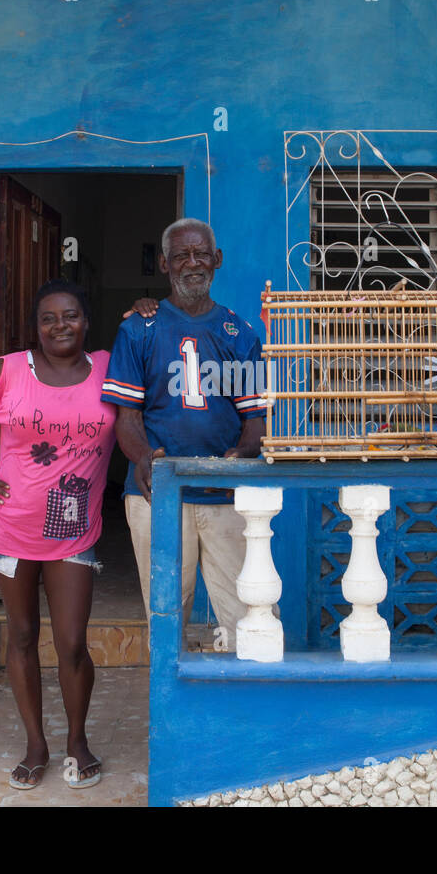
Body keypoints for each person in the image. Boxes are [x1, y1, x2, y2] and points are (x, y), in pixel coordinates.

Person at [0, 280, 115, 790]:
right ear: (36, 327)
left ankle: (77, 741)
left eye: (70, 315)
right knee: (20, 636)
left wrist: (143, 309)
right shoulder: (10, 369)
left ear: (86, 320)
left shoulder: (109, 365)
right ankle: (35, 744)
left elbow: (147, 348)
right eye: (48, 318)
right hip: (8, 529)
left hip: (73, 532)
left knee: (72, 642)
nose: (60, 325)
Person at [102, 218, 266, 648]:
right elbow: (127, 416)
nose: (192, 263)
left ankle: (237, 713)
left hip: (223, 494)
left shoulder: (239, 332)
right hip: (158, 495)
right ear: (163, 264)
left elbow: (253, 420)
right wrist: (141, 456)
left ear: (217, 260)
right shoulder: (138, 329)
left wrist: (243, 453)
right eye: (180, 255)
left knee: (247, 614)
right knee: (165, 615)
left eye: (200, 254)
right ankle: (172, 714)